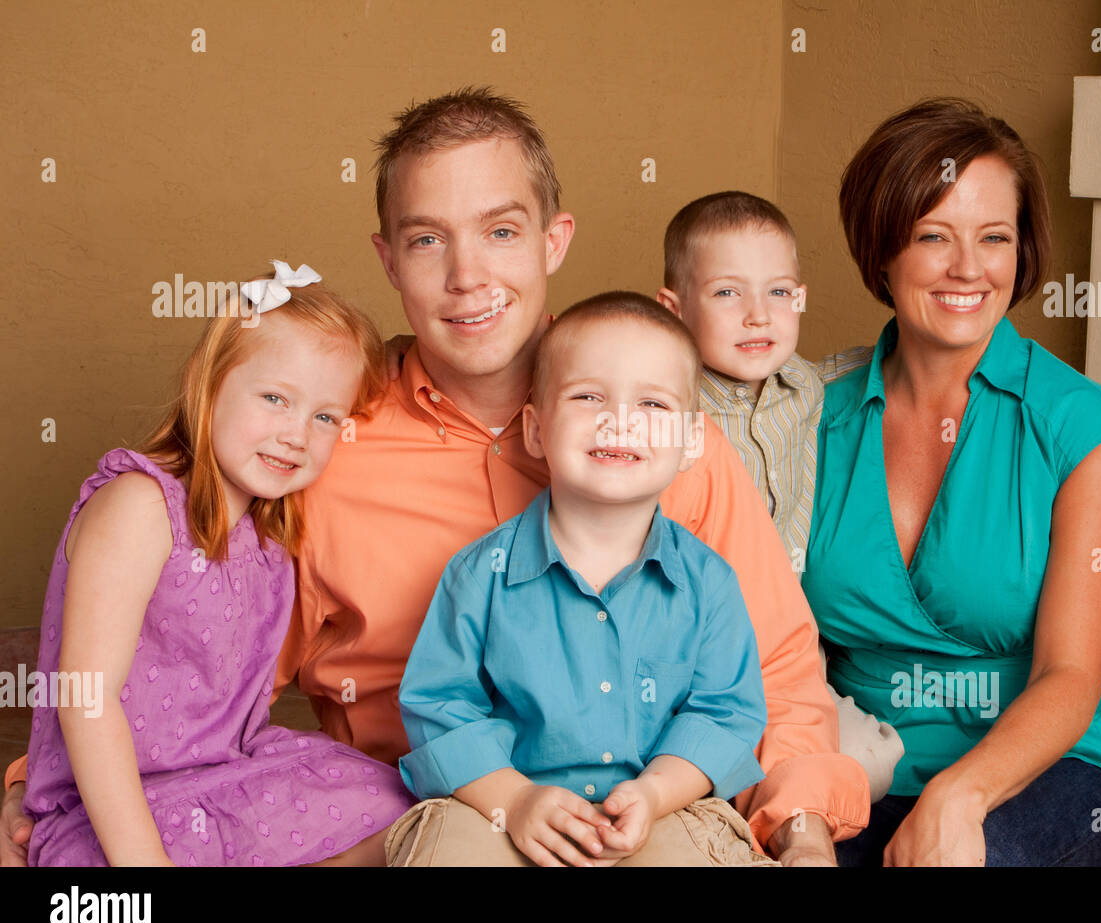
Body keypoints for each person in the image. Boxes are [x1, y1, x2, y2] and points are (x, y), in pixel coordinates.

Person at [5, 87, 872, 867]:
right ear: (388, 260)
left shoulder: (658, 428)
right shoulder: (320, 448)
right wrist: (44, 784)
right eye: (429, 240)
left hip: (653, 812)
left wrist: (797, 826)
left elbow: (776, 672)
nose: (468, 278)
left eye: (500, 231)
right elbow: (200, 658)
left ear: (552, 240)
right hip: (433, 820)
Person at [802, 98, 1101, 866]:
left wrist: (957, 797)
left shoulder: (1093, 430)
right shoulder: (809, 419)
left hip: (1037, 774)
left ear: (1022, 253)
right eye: (933, 237)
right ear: (880, 251)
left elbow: (1071, 673)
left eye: (994, 237)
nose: (969, 268)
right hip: (854, 761)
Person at [18, 262, 415, 866]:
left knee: (402, 808)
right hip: (114, 805)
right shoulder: (141, 505)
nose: (296, 435)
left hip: (220, 778)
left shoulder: (266, 535)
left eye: (325, 417)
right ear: (210, 388)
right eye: (275, 398)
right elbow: (84, 698)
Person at [388, 292, 775, 867]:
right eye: (589, 396)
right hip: (506, 807)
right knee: (445, 848)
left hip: (662, 811)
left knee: (699, 854)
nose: (618, 421)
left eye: (652, 403)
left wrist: (654, 793)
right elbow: (440, 706)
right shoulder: (480, 574)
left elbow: (724, 713)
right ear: (537, 429)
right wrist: (513, 801)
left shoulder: (708, 583)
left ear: (692, 441)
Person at [656, 190, 903, 802]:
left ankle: (767, 794)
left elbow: (867, 365)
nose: (758, 316)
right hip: (689, 656)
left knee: (875, 756)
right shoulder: (664, 405)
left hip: (786, 658)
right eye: (726, 293)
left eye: (778, 293)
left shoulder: (805, 387)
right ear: (673, 308)